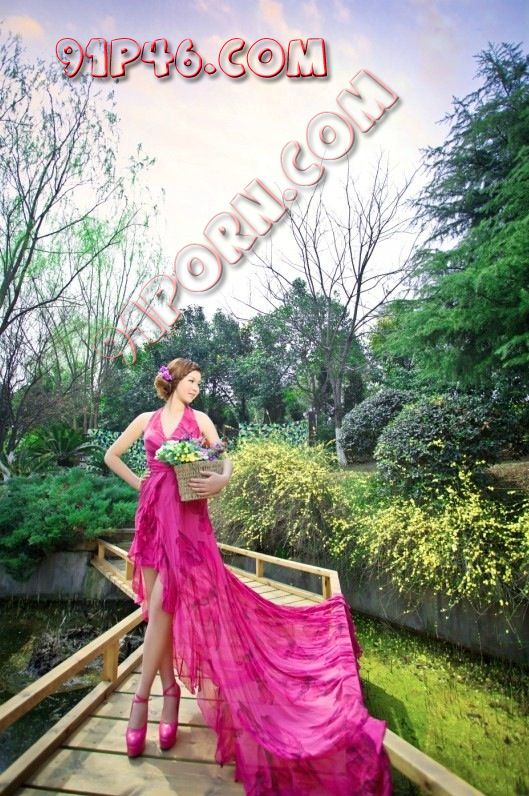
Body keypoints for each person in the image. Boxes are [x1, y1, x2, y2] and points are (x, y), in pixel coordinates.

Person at [104, 357, 393, 795]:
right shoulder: (146, 419)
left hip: (187, 523)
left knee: (163, 602)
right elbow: (111, 455)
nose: (196, 387)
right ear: (173, 381)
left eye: (200, 382)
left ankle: (140, 701)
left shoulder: (202, 420)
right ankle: (170, 693)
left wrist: (218, 483)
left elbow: (226, 462)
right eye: (191, 381)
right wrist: (140, 483)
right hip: (151, 520)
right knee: (156, 611)